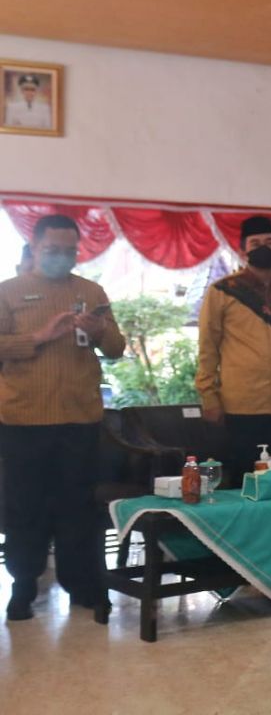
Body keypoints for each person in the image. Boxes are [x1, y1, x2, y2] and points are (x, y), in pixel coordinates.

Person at [0, 215, 125, 620]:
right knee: (25, 508)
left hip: (79, 419)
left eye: (69, 251)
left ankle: (80, 585)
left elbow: (116, 348)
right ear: (34, 248)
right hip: (23, 420)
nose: (61, 258)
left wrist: (100, 329)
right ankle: (23, 586)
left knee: (78, 507)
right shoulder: (9, 292)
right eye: (52, 250)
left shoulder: (91, 291)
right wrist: (38, 338)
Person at [196, 215, 271, 480]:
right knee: (244, 480)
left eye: (269, 242)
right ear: (242, 251)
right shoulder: (224, 291)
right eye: (256, 242)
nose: (263, 247)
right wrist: (209, 396)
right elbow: (208, 348)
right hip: (242, 405)